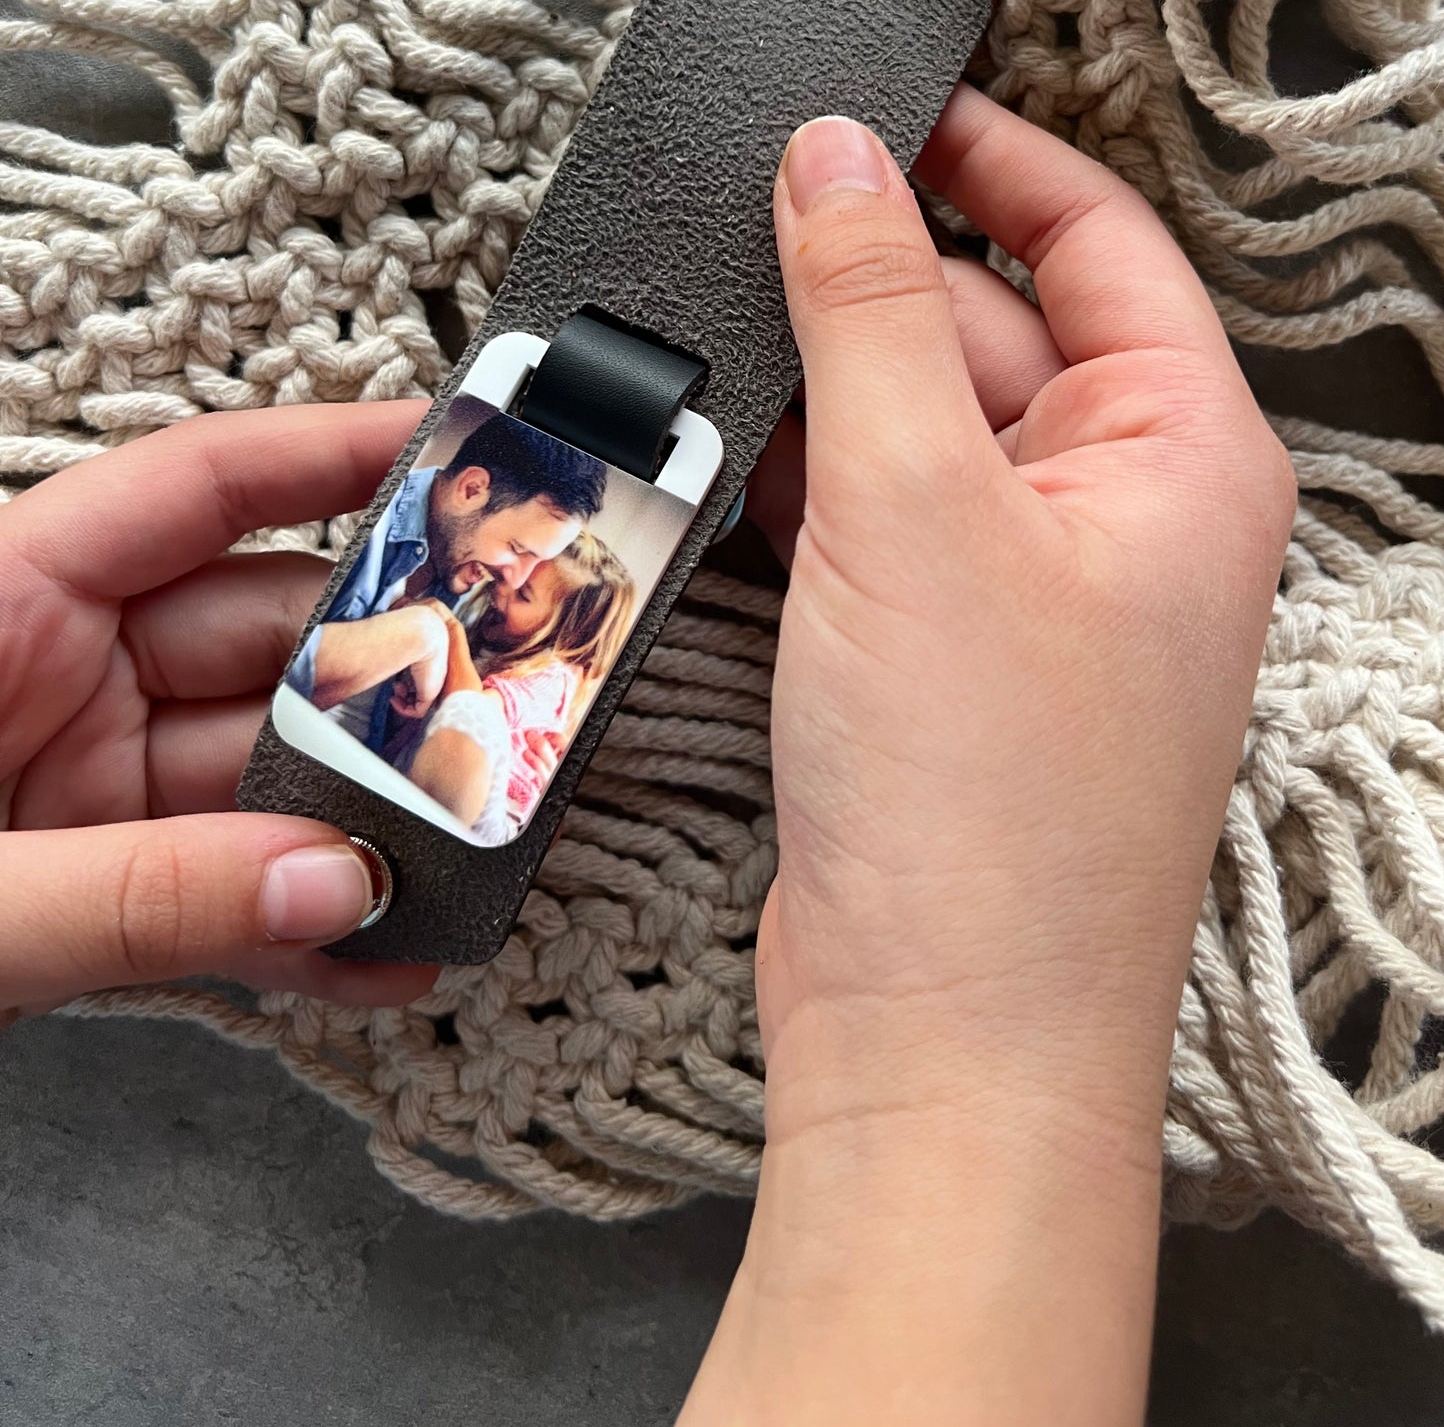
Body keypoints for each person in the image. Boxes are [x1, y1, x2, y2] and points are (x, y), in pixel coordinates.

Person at [0, 88, 1293, 1420]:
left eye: (543, 568)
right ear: (462, 494)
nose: (514, 569)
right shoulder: (412, 650)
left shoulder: (467, 676)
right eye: (503, 541)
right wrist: (982, 1054)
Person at [286, 410, 609, 762]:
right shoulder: (359, 518)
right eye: (516, 549)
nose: (515, 578)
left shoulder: (466, 576)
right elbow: (278, 665)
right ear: (471, 490)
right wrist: (422, 634)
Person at [399, 534, 636, 841]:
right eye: (518, 573)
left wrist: (450, 631)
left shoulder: (553, 676)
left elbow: (468, 705)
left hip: (496, 820)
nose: (505, 586)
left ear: (564, 634)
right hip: (428, 778)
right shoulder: (492, 637)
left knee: (472, 711)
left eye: (523, 594)